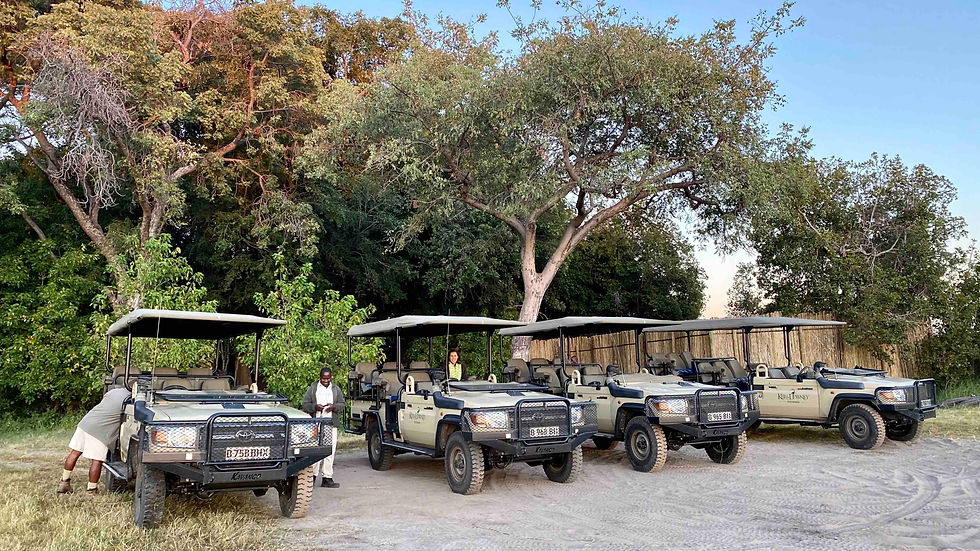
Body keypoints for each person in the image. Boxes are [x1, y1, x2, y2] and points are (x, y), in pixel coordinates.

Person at [58, 387, 131, 495]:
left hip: (86, 423)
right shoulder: (130, 399)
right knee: (97, 460)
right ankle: (92, 490)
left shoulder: (113, 392)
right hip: (100, 430)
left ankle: (64, 483)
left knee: (75, 453)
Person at [301, 367, 345, 488]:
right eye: (324, 378)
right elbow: (305, 404)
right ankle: (312, 477)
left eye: (328, 378)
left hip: (331, 424)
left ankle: (327, 477)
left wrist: (334, 407)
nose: (326, 380)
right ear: (320, 377)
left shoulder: (335, 389)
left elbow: (342, 404)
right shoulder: (313, 388)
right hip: (316, 423)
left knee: (330, 450)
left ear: (331, 377)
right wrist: (315, 407)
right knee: (316, 450)